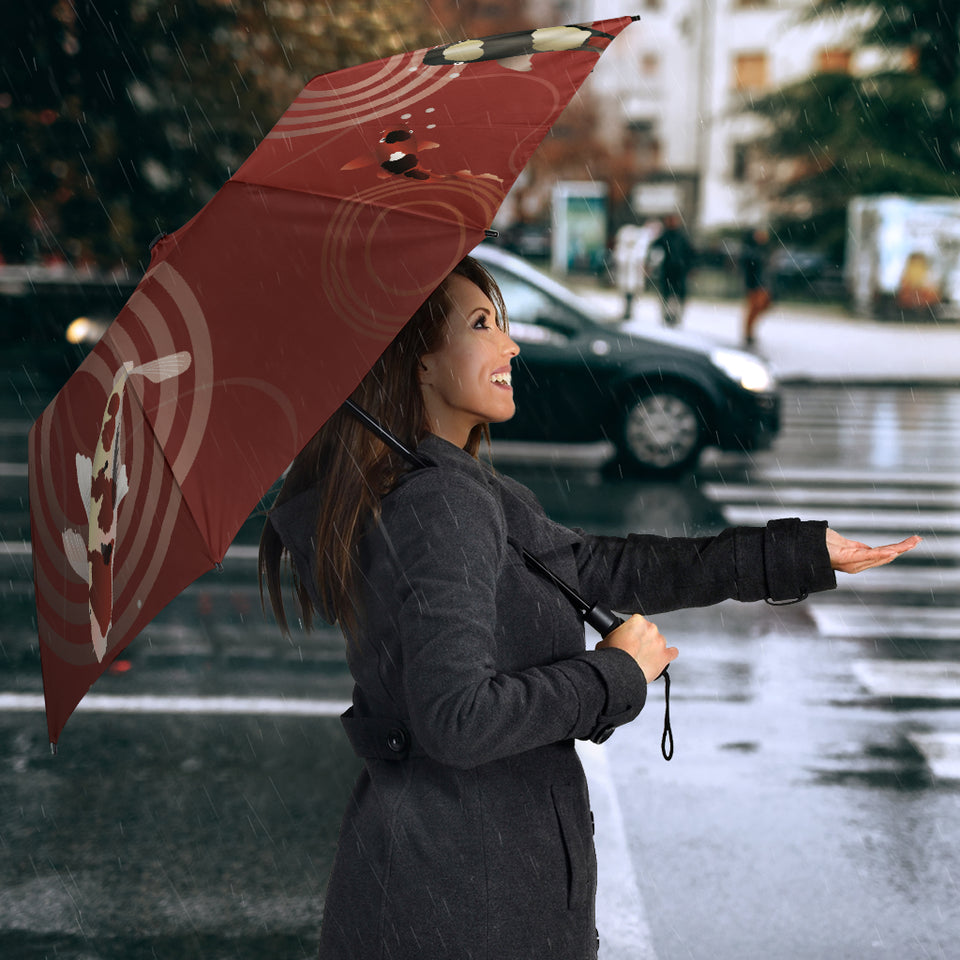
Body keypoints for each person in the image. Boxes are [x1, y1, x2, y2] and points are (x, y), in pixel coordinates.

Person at [259, 256, 919, 960]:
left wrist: (796, 554)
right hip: (466, 902)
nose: (510, 345)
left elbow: (604, 567)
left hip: (454, 884)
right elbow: (456, 720)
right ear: (417, 363)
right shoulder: (439, 504)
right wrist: (613, 673)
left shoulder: (453, 489)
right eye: (482, 325)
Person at [648, 213, 695, 327]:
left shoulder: (681, 237)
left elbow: (690, 253)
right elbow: (654, 249)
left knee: (677, 295)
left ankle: (675, 316)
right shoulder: (665, 236)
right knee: (667, 294)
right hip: (668, 270)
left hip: (679, 271)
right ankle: (667, 315)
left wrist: (690, 267)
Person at [741, 226, 773, 347]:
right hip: (755, 284)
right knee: (754, 308)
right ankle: (748, 333)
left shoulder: (763, 249)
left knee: (762, 306)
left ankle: (750, 331)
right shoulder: (751, 250)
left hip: (763, 283)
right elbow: (750, 265)